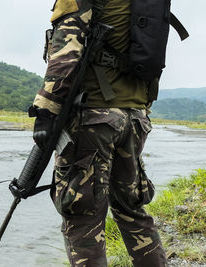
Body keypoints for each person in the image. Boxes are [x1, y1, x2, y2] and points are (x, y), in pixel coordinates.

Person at [30, 0, 167, 266]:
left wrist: (45, 110)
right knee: (132, 210)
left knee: (82, 216)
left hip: (94, 118)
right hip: (135, 117)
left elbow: (66, 49)